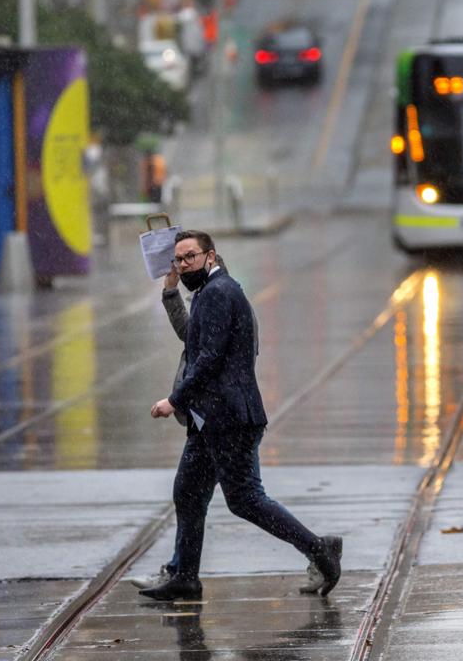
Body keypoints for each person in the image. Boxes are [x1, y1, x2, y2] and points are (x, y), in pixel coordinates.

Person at [140, 230, 342, 601]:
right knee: (187, 493)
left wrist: (175, 400)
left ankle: (319, 550)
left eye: (190, 257)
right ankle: (185, 576)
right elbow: (194, 339)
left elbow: (208, 360)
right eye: (178, 259)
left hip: (230, 419)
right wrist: (171, 292)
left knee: (246, 499)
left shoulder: (220, 293)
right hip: (210, 420)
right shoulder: (208, 293)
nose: (184, 265)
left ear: (211, 257)